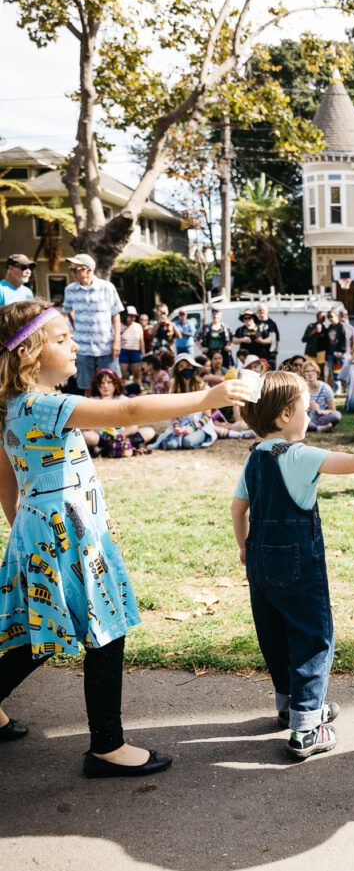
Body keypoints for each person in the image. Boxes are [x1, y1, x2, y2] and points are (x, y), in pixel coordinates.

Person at [0, 299, 250, 776]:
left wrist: (25, 533)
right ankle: (107, 747)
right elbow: (128, 408)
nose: (75, 344)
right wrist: (206, 398)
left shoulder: (10, 407)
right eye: (61, 339)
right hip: (71, 534)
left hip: (37, 531)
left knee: (36, 631)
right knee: (103, 629)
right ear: (30, 353)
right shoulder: (47, 404)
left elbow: (6, 480)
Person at [231, 370, 354, 759]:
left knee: (275, 635)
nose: (311, 408)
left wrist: (244, 547)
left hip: (260, 562)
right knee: (313, 637)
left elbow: (238, 507)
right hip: (296, 563)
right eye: (305, 403)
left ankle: (291, 707)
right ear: (285, 415)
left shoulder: (255, 457)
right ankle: (306, 730)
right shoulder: (297, 455)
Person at [61, 253, 123, 394]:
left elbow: (116, 314)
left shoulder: (107, 288)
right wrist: (77, 326)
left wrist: (117, 342)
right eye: (71, 269)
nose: (72, 273)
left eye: (76, 270)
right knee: (86, 386)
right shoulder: (69, 290)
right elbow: (67, 311)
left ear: (89, 270)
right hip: (82, 346)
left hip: (106, 345)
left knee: (111, 383)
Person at [148, 355, 221, 450]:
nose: (185, 369)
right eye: (181, 366)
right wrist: (176, 426)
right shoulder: (174, 389)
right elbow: (173, 413)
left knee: (188, 442)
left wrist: (193, 428)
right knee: (171, 445)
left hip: (200, 425)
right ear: (177, 370)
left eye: (188, 366)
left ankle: (204, 437)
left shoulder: (203, 388)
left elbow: (207, 415)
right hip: (181, 425)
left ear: (194, 368)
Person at [82, 368, 155, 455]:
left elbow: (134, 426)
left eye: (109, 382)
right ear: (97, 386)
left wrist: (121, 435)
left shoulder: (123, 400)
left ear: (115, 384)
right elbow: (89, 428)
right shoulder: (92, 401)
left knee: (149, 431)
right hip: (102, 436)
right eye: (102, 383)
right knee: (86, 436)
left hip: (123, 435)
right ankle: (113, 447)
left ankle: (113, 448)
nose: (105, 386)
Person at [302, 359, 341, 433]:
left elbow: (332, 410)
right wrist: (307, 408)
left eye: (313, 371)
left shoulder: (325, 388)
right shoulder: (302, 389)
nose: (310, 374)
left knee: (336, 415)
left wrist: (320, 411)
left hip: (321, 417)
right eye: (307, 371)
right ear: (303, 374)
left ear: (317, 373)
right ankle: (319, 428)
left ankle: (313, 427)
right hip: (307, 417)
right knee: (300, 419)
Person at [119, 306, 145, 386]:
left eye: (134, 316)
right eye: (131, 316)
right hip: (123, 352)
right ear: (126, 316)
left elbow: (141, 341)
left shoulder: (138, 326)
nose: (133, 318)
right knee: (122, 375)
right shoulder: (120, 326)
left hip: (135, 352)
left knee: (137, 376)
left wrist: (143, 354)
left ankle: (139, 392)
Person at [324, 309, 346, 388]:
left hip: (340, 354)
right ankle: (337, 391)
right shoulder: (329, 327)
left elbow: (345, 339)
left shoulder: (341, 326)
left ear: (336, 316)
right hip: (331, 354)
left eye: (331, 316)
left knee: (343, 373)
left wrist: (342, 351)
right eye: (328, 317)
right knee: (334, 374)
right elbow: (327, 342)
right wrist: (326, 356)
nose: (330, 318)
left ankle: (346, 390)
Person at [255, 303, 280, 368]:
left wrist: (262, 341)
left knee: (270, 372)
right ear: (257, 312)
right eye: (260, 310)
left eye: (263, 310)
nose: (261, 312)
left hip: (270, 353)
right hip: (257, 352)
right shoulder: (254, 323)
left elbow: (275, 338)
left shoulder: (272, 323)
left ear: (267, 311)